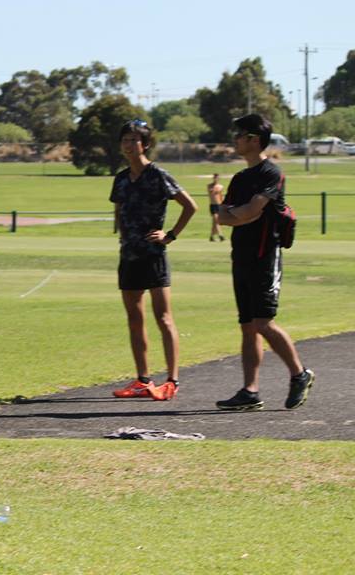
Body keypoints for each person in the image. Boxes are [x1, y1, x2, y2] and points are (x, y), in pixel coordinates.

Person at [214, 114, 314, 411]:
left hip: (264, 256)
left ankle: (300, 374)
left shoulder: (271, 173)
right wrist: (235, 212)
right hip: (241, 255)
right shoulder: (240, 178)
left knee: (263, 323)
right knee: (247, 326)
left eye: (240, 135)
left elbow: (247, 213)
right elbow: (223, 217)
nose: (235, 140)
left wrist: (236, 213)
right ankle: (250, 391)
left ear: (254, 140)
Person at [109, 120, 197, 401]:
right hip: (129, 256)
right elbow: (119, 208)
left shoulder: (158, 175)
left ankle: (172, 381)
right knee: (134, 319)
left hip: (153, 256)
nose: (129, 144)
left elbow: (190, 206)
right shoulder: (121, 178)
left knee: (164, 318)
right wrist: (123, 235)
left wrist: (170, 235)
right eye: (125, 139)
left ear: (145, 144)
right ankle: (142, 380)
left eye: (134, 140)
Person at [207, 172, 225, 242]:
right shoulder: (209, 186)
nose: (215, 179)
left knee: (215, 222)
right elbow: (211, 192)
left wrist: (223, 204)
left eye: (216, 177)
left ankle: (211, 236)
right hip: (213, 205)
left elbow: (221, 196)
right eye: (214, 177)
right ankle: (221, 235)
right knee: (216, 220)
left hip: (219, 205)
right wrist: (213, 190)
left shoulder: (220, 187)